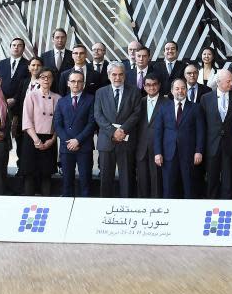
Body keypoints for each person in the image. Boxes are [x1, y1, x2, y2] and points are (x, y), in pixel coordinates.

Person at [96, 63, 143, 197]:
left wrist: (122, 130)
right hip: (106, 141)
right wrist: (113, 132)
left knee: (127, 179)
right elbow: (98, 115)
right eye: (114, 74)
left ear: (125, 75)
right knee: (105, 179)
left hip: (126, 141)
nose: (117, 77)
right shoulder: (100, 92)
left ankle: (126, 208)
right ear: (109, 75)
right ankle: (105, 209)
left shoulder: (134, 91)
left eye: (120, 74)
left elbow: (137, 114)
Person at [154, 78, 202, 198]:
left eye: (183, 88)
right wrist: (158, 152)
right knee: (169, 188)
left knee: (189, 188)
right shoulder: (164, 107)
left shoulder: (196, 108)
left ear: (186, 90)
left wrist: (199, 151)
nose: (180, 91)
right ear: (171, 91)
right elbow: (158, 132)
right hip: (168, 154)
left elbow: (201, 132)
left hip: (189, 155)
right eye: (177, 88)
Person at [54, 71, 96, 198]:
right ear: (68, 83)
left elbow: (92, 123)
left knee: (85, 181)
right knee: (67, 182)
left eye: (79, 81)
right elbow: (57, 124)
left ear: (83, 83)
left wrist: (77, 140)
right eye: (73, 81)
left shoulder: (91, 99)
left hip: (84, 147)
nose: (76, 84)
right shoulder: (61, 101)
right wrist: (69, 141)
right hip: (66, 148)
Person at [199, 69, 232, 199]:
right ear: (219, 82)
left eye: (231, 80)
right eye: (228, 81)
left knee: (229, 181)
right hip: (212, 146)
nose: (231, 84)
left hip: (230, 145)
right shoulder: (205, 98)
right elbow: (202, 124)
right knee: (212, 181)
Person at [20, 69, 59, 196]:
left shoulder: (58, 98)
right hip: (32, 138)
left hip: (49, 139)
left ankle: (46, 205)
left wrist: (52, 140)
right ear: (38, 79)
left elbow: (59, 123)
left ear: (53, 80)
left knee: (46, 174)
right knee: (30, 174)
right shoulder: (31, 95)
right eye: (43, 77)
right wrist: (36, 140)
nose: (46, 80)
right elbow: (27, 120)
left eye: (49, 77)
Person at [135, 74, 163, 198]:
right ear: (144, 87)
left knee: (157, 181)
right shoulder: (139, 102)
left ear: (159, 85)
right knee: (142, 182)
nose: (151, 87)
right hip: (141, 148)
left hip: (159, 149)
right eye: (148, 85)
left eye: (154, 84)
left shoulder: (167, 103)